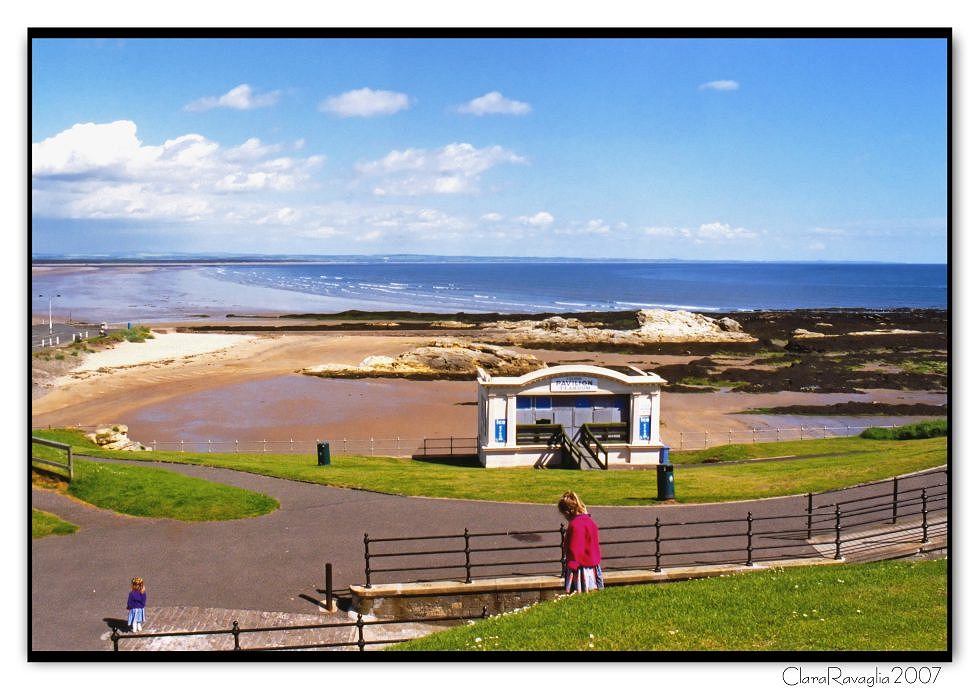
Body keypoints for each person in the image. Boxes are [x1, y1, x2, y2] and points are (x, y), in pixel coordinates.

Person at [558, 491, 604, 593]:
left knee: (580, 593)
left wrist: (572, 564)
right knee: (594, 592)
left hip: (580, 567)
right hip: (593, 565)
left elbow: (575, 547)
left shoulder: (575, 525)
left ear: (568, 512)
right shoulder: (589, 521)